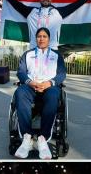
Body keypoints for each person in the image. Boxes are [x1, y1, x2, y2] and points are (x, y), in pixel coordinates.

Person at [14, 27, 66, 160]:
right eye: (39, 36)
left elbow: (61, 74)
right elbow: (21, 72)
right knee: (20, 92)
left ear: (49, 39)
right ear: (35, 39)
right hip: (32, 85)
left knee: (54, 95)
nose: (41, 38)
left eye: (44, 36)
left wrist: (49, 83)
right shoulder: (28, 54)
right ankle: (27, 138)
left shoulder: (56, 56)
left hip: (49, 86)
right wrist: (31, 82)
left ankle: (43, 139)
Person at [3, 0, 91, 50]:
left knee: (50, 78)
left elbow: (76, 5)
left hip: (52, 51)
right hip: (34, 49)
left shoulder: (58, 12)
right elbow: (15, 4)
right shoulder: (31, 12)